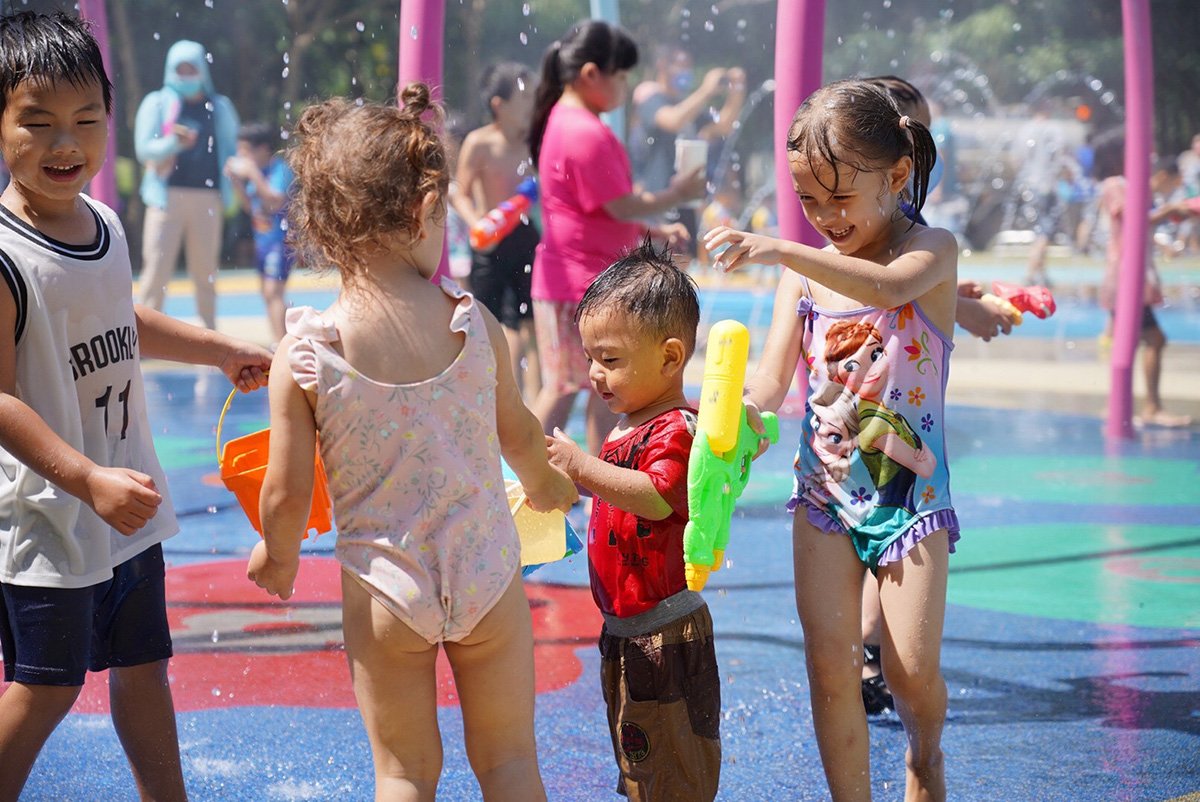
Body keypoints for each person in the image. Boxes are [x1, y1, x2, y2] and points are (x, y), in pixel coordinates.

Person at [244, 86, 578, 801]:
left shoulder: (307, 354)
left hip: (385, 588)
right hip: (486, 571)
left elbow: (287, 492)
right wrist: (549, 488)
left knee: (402, 772)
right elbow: (518, 433)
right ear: (427, 211)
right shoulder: (472, 322)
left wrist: (276, 555)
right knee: (511, 761)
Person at [0, 12, 272, 800]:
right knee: (47, 686)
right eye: (38, 123)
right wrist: (85, 479)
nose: (66, 144)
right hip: (51, 512)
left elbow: (124, 320)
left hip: (127, 500)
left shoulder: (108, 224)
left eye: (86, 121)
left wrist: (217, 350)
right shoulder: (8, 255)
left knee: (145, 667)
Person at [704, 79, 958, 801]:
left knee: (910, 673)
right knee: (829, 664)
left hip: (910, 501)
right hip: (824, 497)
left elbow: (883, 290)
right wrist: (731, 427)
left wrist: (779, 247)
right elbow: (769, 386)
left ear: (898, 176)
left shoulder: (932, 252)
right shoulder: (805, 279)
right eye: (808, 201)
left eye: (838, 199)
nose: (823, 219)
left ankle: (925, 750)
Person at [545, 240, 720, 801]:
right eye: (591, 358)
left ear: (670, 358)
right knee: (641, 761)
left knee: (673, 764)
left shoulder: (675, 428)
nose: (595, 374)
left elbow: (659, 496)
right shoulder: (628, 425)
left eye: (611, 360)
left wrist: (581, 466)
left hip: (664, 630)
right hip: (626, 630)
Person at [527, 19, 703, 456]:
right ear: (591, 75)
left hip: (579, 279)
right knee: (568, 386)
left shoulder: (566, 121)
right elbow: (620, 205)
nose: (625, 86)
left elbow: (598, 209)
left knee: (596, 387)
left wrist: (654, 228)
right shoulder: (583, 131)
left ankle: (593, 482)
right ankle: (526, 473)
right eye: (620, 76)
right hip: (577, 283)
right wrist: (676, 195)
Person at [134, 38, 239, 330]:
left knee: (205, 271)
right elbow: (144, 150)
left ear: (202, 69)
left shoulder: (219, 107)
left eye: (191, 67)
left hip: (208, 197)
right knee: (156, 268)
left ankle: (209, 331)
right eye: (180, 68)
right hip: (165, 196)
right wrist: (174, 144)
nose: (186, 74)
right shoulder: (157, 103)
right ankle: (144, 335)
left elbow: (232, 148)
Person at [1095, 133, 1196, 428]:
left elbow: (1138, 226)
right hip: (1125, 276)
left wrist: (1163, 239)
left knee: (1130, 340)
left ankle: (1119, 403)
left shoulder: (1129, 186)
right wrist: (1169, 211)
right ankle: (1151, 406)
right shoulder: (1114, 185)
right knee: (1153, 338)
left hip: (1132, 274)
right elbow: (1131, 219)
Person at [452, 62, 541, 401]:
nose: (532, 104)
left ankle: (534, 404)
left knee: (530, 321)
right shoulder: (480, 143)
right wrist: (477, 221)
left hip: (524, 237)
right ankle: (500, 395)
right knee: (491, 324)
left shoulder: (533, 143)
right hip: (489, 242)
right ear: (498, 105)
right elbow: (458, 189)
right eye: (525, 97)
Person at [629, 46, 746, 251]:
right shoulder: (651, 100)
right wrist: (706, 90)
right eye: (681, 65)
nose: (686, 72)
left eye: (688, 67)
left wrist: (737, 90)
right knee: (654, 266)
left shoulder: (687, 106)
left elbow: (724, 126)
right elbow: (673, 119)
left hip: (685, 202)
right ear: (663, 66)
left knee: (682, 266)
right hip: (656, 201)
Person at [225, 122, 294, 345]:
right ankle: (281, 338)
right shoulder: (258, 174)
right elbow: (249, 206)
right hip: (263, 242)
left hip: (281, 241)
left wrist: (252, 174)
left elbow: (275, 201)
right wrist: (236, 182)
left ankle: (282, 344)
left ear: (263, 149)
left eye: (246, 151)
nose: (241, 156)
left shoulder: (279, 170)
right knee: (267, 293)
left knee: (273, 291)